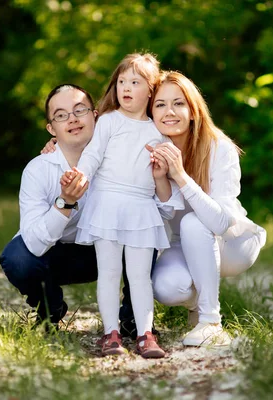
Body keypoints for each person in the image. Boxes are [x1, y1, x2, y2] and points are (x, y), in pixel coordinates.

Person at [60, 53, 181, 358]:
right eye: (122, 82)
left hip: (141, 208)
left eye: (135, 82)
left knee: (140, 276)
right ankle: (110, 333)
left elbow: (164, 172)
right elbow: (93, 154)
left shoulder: (158, 131)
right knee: (110, 272)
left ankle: (145, 334)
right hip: (107, 205)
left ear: (151, 91)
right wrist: (82, 173)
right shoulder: (109, 121)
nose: (125, 88)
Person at [0, 84, 137, 333]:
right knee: (17, 258)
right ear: (52, 129)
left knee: (143, 236)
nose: (72, 119)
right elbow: (33, 243)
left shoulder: (119, 157)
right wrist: (64, 203)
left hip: (107, 249)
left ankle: (133, 320)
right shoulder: (38, 170)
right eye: (61, 115)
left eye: (79, 110)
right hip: (57, 253)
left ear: (95, 115)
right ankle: (50, 309)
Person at [147, 71, 267, 347]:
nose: (169, 112)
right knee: (166, 288)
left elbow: (221, 223)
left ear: (192, 110)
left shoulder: (219, 148)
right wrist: (59, 147)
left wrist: (180, 175)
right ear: (151, 111)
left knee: (194, 222)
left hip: (232, 244)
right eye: (160, 104)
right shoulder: (152, 148)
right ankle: (198, 302)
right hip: (182, 244)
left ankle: (211, 321)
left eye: (178, 103)